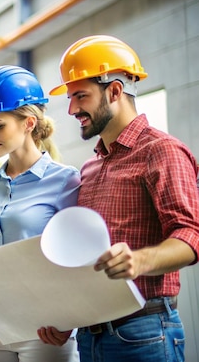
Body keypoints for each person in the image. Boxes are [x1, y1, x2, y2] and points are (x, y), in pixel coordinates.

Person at [38, 35, 199, 361]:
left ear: (114, 91)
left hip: (145, 331)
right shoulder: (90, 167)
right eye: (70, 98)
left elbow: (191, 234)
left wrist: (140, 260)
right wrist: (70, 317)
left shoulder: (161, 151)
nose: (72, 109)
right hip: (90, 333)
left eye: (80, 96)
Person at [0, 65, 80, 362]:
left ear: (28, 123)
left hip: (46, 326)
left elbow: (78, 263)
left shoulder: (65, 181)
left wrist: (69, 320)